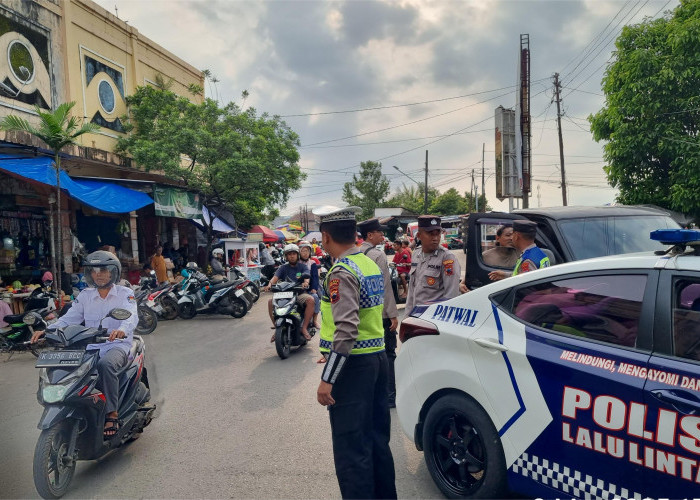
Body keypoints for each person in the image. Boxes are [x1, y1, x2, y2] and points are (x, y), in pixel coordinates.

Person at [315, 207, 396, 500]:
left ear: (325, 237)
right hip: (377, 360)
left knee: (351, 449)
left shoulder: (341, 271)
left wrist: (328, 378)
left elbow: (346, 329)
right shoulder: (368, 263)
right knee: (376, 441)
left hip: (354, 369)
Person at [30, 251, 138, 438]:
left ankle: (112, 413)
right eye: (94, 270)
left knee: (106, 365)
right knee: (71, 370)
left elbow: (131, 315)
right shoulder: (85, 295)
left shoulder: (125, 293)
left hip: (116, 345)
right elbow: (68, 319)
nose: (98, 274)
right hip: (90, 347)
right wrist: (48, 331)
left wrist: (122, 329)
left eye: (103, 270)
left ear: (113, 272)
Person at [357, 218, 400, 408]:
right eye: (380, 232)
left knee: (366, 356)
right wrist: (392, 313)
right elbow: (385, 288)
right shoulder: (378, 255)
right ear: (369, 235)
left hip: (361, 314)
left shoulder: (353, 254)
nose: (383, 235)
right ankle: (390, 396)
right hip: (380, 314)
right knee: (388, 354)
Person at [405, 215, 461, 314]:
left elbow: (451, 296)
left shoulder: (447, 258)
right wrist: (407, 316)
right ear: (419, 236)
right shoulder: (416, 254)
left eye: (437, 233)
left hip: (433, 319)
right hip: (415, 316)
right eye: (430, 234)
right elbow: (411, 291)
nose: (435, 238)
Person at [263, 244, 314, 341]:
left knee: (310, 300)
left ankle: (304, 328)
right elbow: (275, 278)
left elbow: (306, 277)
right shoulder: (283, 268)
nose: (292, 256)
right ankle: (277, 328)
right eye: (289, 254)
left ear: (297, 255)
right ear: (286, 256)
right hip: (284, 294)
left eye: (294, 254)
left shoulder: (302, 267)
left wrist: (305, 283)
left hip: (298, 293)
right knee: (270, 302)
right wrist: (269, 285)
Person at [298, 241, 322, 329]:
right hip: (297, 288)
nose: (305, 253)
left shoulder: (312, 263)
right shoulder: (296, 263)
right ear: (299, 252)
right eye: (303, 251)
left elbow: (315, 277)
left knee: (315, 297)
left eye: (307, 251)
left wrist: (314, 288)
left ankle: (315, 320)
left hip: (309, 288)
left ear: (310, 252)